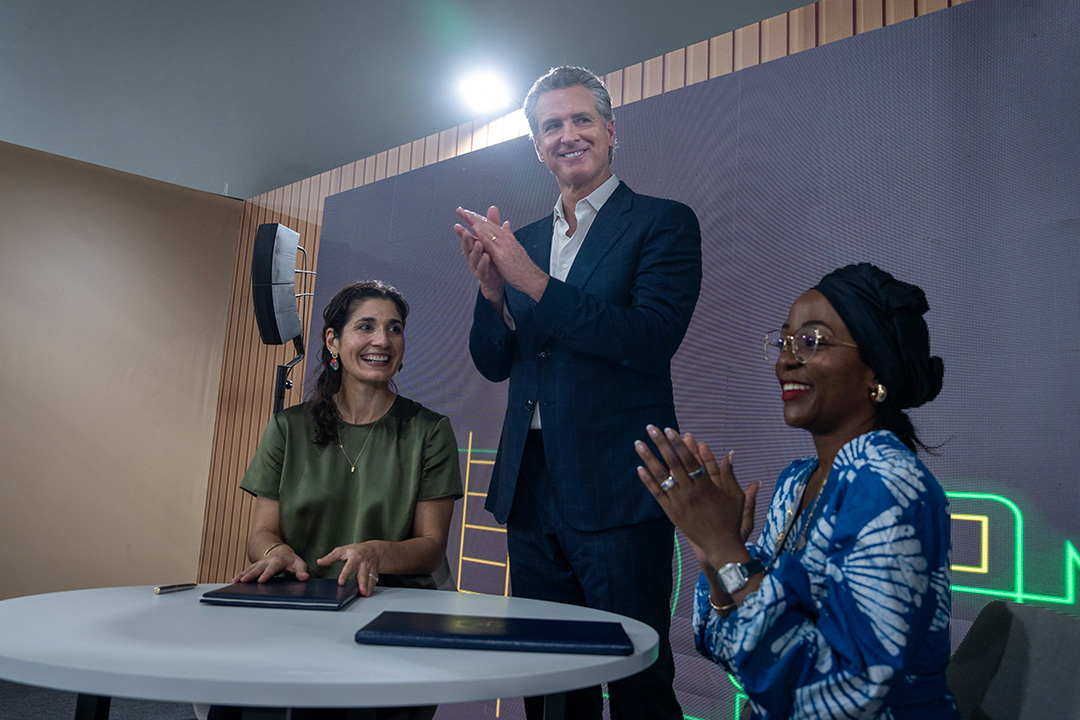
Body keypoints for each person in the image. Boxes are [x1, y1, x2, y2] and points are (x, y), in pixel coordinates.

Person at [454, 65, 701, 720]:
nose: (568, 135)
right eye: (551, 126)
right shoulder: (524, 241)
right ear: (536, 146)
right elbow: (494, 363)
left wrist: (531, 283)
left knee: (634, 676)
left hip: (618, 489)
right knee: (548, 676)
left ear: (610, 131)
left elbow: (648, 338)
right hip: (531, 490)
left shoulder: (662, 224)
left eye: (581, 119)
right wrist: (491, 293)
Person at [635, 263, 959, 719]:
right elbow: (735, 647)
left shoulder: (889, 485)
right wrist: (715, 557)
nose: (785, 359)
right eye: (784, 341)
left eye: (812, 342)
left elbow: (846, 695)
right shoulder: (797, 482)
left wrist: (726, 547)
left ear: (875, 372)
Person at [216, 280, 463, 720]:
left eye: (395, 329)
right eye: (365, 326)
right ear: (333, 339)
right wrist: (274, 553)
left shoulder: (429, 431)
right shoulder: (287, 428)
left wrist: (375, 552)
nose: (382, 341)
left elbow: (430, 549)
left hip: (389, 617)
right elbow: (262, 532)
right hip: (298, 613)